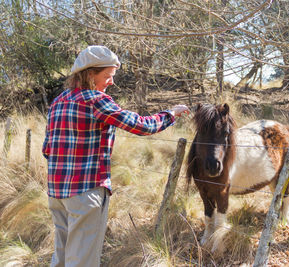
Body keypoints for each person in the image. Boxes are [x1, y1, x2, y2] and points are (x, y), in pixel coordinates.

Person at [42, 45, 189, 267]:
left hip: (56, 193)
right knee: (82, 261)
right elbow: (141, 126)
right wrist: (171, 114)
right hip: (86, 192)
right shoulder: (96, 100)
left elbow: (47, 149)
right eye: (107, 76)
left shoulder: (58, 102)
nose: (111, 82)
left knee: (61, 258)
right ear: (90, 75)